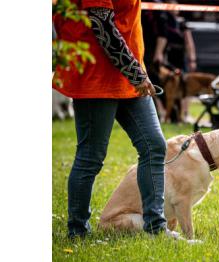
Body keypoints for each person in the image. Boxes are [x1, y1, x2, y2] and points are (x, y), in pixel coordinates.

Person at [53, 0, 168, 238]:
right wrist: (135, 73)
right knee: (91, 158)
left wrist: (136, 72)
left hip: (129, 77)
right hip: (97, 78)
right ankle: (78, 231)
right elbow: (101, 24)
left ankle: (156, 228)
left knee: (154, 146)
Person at [165, 0, 198, 123]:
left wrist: (192, 59)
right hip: (169, 58)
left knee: (185, 85)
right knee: (170, 85)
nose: (173, 9)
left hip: (180, 57)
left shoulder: (182, 23)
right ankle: (169, 113)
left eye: (175, 6)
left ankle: (185, 113)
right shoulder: (164, 22)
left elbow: (189, 43)